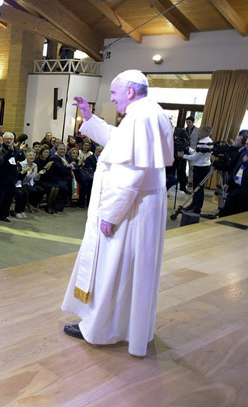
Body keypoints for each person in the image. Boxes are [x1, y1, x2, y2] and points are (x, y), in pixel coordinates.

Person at [62, 70, 173, 357]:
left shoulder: (140, 116)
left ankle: (100, 329)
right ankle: (125, 327)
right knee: (130, 270)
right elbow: (119, 142)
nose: (111, 98)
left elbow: (130, 171)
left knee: (115, 267)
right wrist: (90, 119)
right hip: (141, 205)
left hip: (130, 209)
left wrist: (110, 214)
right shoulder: (150, 112)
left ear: (131, 92)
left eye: (114, 93)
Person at [181, 125, 213, 214]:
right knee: (197, 188)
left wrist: (182, 155)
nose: (198, 133)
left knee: (198, 189)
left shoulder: (203, 142)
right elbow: (197, 153)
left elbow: (195, 157)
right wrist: (189, 148)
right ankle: (194, 204)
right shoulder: (208, 141)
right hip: (204, 167)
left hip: (201, 168)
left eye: (200, 131)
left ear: (205, 133)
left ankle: (196, 208)